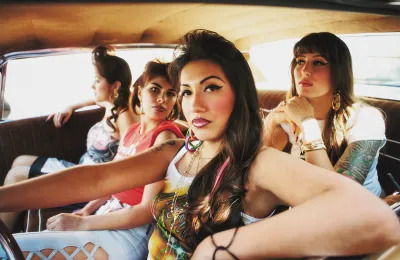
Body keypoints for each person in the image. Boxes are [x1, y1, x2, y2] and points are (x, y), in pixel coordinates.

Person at [0, 30, 399, 260]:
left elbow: (373, 218)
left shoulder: (254, 164)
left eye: (211, 88)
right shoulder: (176, 149)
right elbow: (92, 180)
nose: (195, 104)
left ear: (238, 95)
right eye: (186, 92)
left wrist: (215, 247)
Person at [0, 60, 184, 260]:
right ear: (139, 92)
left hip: (130, 232)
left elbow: (146, 211)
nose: (161, 99)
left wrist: (81, 223)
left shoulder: (165, 138)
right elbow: (111, 181)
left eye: (170, 94)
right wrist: (86, 210)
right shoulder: (132, 131)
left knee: (12, 251)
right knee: (13, 245)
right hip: (107, 214)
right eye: (155, 90)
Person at [0, 45, 134, 230]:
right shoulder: (110, 106)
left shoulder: (125, 117)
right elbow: (94, 98)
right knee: (20, 160)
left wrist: (91, 207)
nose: (92, 85)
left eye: (97, 80)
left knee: (17, 175)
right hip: (79, 170)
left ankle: (2, 239)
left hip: (89, 184)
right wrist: (71, 107)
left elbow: (126, 168)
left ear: (116, 86)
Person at [263, 32, 386, 197]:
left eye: (318, 62)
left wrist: (307, 124)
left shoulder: (366, 119)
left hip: (361, 213)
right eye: (300, 61)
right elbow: (256, 170)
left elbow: (336, 197)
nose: (305, 70)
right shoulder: (288, 112)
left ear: (339, 72)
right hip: (305, 208)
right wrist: (271, 121)